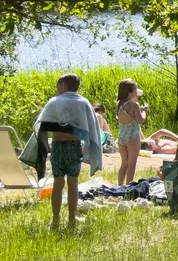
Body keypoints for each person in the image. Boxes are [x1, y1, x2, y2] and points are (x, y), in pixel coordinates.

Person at [23, 73, 104, 231]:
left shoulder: (54, 102)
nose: (57, 89)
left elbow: (41, 125)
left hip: (58, 147)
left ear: (64, 86)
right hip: (74, 147)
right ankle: (72, 220)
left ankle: (55, 220)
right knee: (73, 184)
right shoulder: (84, 103)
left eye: (58, 86)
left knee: (58, 184)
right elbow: (91, 127)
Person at [115, 78, 147, 186]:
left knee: (124, 164)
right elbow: (140, 120)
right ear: (131, 92)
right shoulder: (134, 105)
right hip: (132, 136)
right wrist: (144, 111)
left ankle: (120, 186)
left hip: (121, 136)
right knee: (132, 164)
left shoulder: (119, 103)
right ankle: (129, 187)